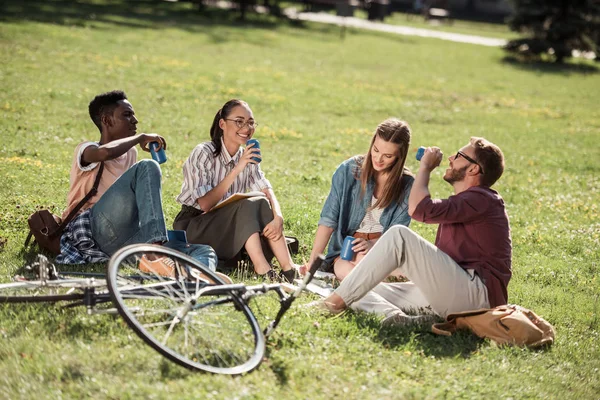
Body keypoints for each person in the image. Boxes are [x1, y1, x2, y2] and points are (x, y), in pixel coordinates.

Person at [316, 137, 512, 326]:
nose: (451, 158)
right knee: (358, 287)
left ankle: (332, 304)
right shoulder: (465, 202)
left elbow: (418, 208)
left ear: (473, 168)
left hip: (478, 297)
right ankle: (395, 318)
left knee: (398, 235)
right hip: (457, 293)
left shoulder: (484, 199)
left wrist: (425, 167)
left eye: (459, 155)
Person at [56, 90, 218, 277]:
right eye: (127, 115)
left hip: (125, 238)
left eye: (133, 114)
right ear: (107, 121)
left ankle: (197, 278)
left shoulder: (131, 154)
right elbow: (104, 154)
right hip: (94, 230)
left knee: (203, 250)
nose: (135, 120)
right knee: (148, 166)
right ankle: (155, 252)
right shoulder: (86, 150)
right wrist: (140, 138)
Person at [173, 99, 298, 282]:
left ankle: (290, 271)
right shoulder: (204, 152)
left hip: (227, 225)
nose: (246, 128)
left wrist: (278, 217)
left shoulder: (247, 155)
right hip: (194, 226)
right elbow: (205, 204)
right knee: (247, 205)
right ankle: (263, 269)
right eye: (239, 121)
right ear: (222, 124)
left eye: (250, 122)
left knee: (260, 201)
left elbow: (266, 189)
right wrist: (238, 168)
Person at [304, 118, 414, 281]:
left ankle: (387, 283)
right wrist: (313, 263)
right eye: (375, 150)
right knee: (350, 273)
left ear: (400, 156)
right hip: (347, 249)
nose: (378, 159)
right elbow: (328, 219)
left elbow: (397, 233)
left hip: (383, 248)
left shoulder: (407, 185)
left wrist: (372, 245)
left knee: (399, 272)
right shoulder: (348, 170)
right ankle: (387, 284)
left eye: (388, 155)